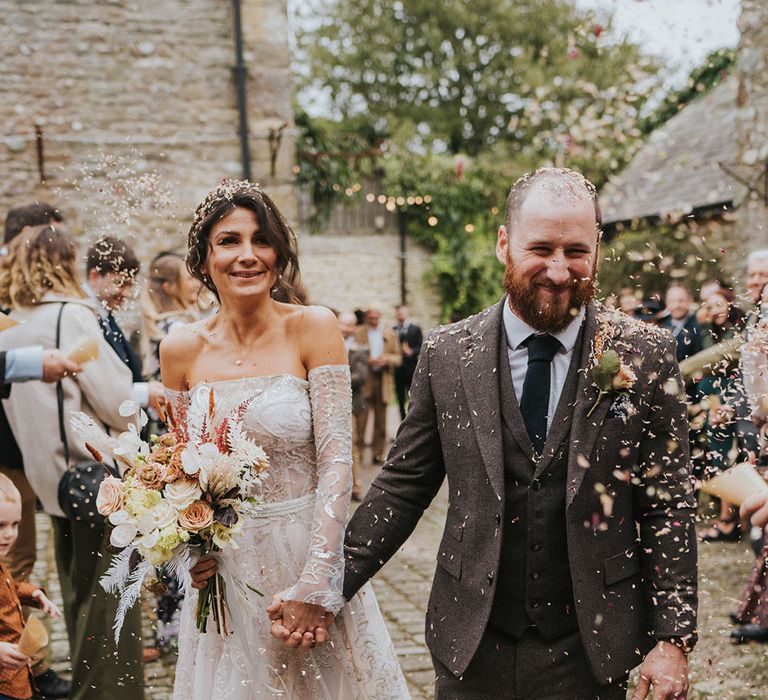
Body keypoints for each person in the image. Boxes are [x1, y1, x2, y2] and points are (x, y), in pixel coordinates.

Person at [338, 168, 697, 699]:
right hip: (473, 638)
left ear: (597, 249)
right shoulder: (447, 354)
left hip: (594, 644)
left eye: (576, 251)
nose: (558, 270)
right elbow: (403, 484)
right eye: (541, 248)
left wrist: (673, 638)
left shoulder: (646, 353)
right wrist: (326, 587)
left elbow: (668, 501)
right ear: (504, 244)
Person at [160, 179, 407, 698]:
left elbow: (338, 457)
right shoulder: (179, 349)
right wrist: (190, 553)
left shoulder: (313, 328)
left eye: (261, 240)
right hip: (229, 571)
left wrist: (320, 579)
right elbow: (176, 469)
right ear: (204, 260)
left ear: (279, 254)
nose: (247, 255)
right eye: (229, 241)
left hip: (308, 548)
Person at [0, 224, 145, 699]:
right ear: (65, 262)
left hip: (52, 485)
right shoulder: (71, 316)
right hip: (95, 480)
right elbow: (117, 398)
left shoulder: (13, 321)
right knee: (110, 610)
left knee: (79, 598)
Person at [0, 203, 75, 700]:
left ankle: (31, 661)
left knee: (15, 557)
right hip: (6, 448)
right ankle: (25, 666)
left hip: (22, 446)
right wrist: (32, 361)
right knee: (16, 551)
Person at [84, 235, 165, 412]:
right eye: (120, 283)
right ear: (94, 276)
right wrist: (143, 394)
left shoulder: (105, 315)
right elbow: (93, 384)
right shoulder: (81, 318)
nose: (126, 293)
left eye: (130, 285)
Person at [0, 473, 62, 700]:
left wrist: (35, 594)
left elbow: (9, 588)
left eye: (15, 524)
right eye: (0, 525)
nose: (9, 534)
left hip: (16, 680)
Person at [140, 251, 201, 379]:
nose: (198, 283)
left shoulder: (161, 325)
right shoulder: (177, 328)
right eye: (190, 278)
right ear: (169, 287)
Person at [354, 304, 401, 463]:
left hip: (382, 380)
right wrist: (367, 360)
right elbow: (352, 354)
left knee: (381, 422)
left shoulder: (389, 334)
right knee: (362, 419)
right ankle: (358, 454)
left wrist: (385, 359)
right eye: (370, 316)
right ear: (367, 317)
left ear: (379, 316)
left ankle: (378, 453)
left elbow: (398, 357)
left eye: (376, 316)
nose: (373, 318)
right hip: (365, 380)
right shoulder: (359, 332)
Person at [338, 311, 368, 501]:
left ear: (355, 327)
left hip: (351, 405)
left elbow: (361, 377)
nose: (346, 329)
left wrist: (336, 378)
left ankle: (356, 486)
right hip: (331, 405)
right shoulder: (327, 344)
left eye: (350, 325)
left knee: (352, 446)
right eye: (343, 324)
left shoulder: (359, 350)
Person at [393, 304, 423, 420]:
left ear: (406, 313)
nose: (400, 315)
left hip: (411, 369)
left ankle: (413, 421)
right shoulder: (394, 330)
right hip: (398, 370)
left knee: (413, 398)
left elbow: (420, 346)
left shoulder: (415, 329)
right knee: (400, 399)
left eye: (402, 312)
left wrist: (412, 351)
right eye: (398, 313)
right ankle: (402, 423)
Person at [659, 283, 702, 362]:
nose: (676, 305)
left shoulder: (699, 325)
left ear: (690, 300)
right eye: (672, 301)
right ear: (666, 303)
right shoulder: (662, 326)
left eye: (681, 300)